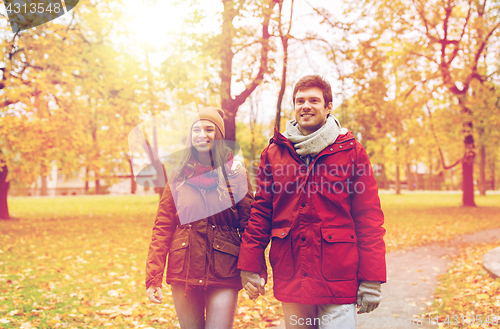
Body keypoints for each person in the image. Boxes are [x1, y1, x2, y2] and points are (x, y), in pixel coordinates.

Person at [238, 75, 386, 329]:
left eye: (314, 100)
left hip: (339, 274)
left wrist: (371, 279)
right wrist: (250, 265)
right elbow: (261, 212)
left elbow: (368, 216)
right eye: (300, 100)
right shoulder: (274, 152)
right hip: (292, 272)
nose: (306, 105)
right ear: (294, 106)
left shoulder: (351, 151)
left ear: (328, 107)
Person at [145, 107, 255, 329]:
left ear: (219, 135)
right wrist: (153, 277)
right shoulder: (177, 176)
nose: (202, 134)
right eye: (196, 129)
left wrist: (253, 270)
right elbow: (163, 227)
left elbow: (251, 227)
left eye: (209, 129)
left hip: (224, 269)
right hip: (183, 268)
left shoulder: (236, 174)